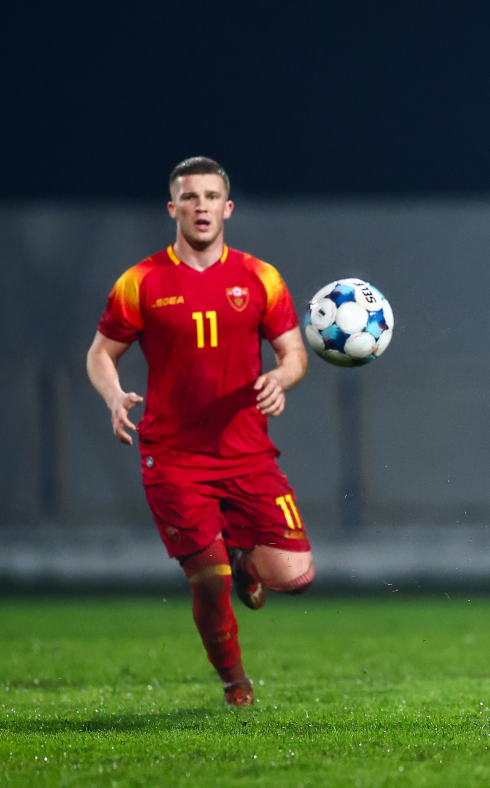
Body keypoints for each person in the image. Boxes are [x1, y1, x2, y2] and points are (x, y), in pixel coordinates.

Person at [86, 157, 314, 707]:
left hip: (248, 453)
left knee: (296, 576)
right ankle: (236, 684)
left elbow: (294, 353)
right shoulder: (140, 282)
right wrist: (114, 395)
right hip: (173, 457)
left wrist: (281, 379)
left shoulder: (260, 277)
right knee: (206, 578)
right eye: (190, 197)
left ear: (228, 208)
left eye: (212, 197)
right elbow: (99, 354)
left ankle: (245, 562)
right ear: (173, 208)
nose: (202, 206)